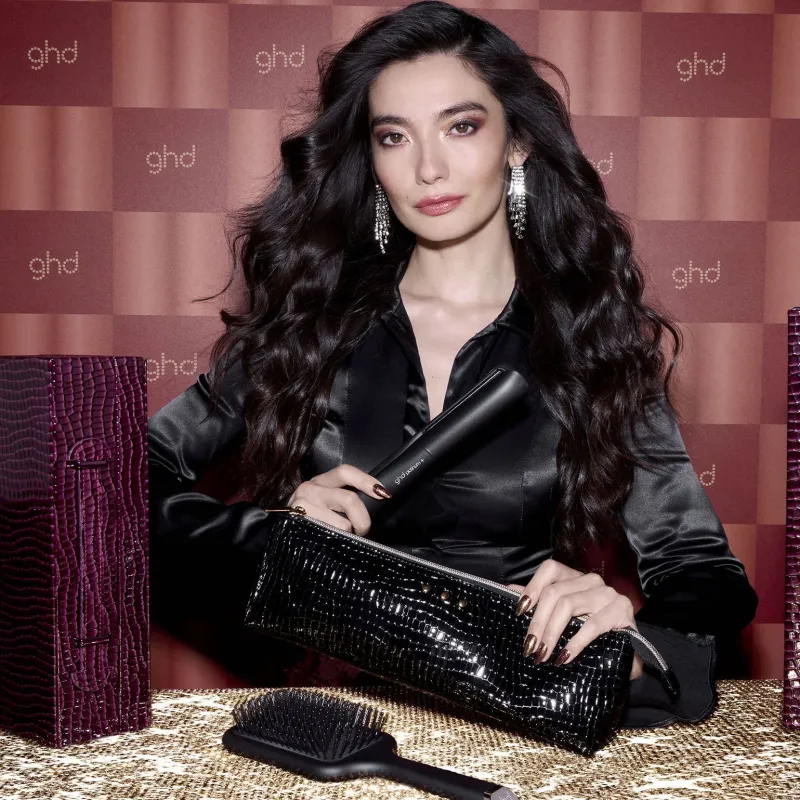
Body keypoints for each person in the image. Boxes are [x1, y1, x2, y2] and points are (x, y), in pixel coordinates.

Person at [148, 0, 757, 727]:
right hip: (338, 721)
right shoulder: (306, 329)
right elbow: (118, 491)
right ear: (372, 160)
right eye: (394, 137)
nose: (428, 167)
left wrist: (628, 631)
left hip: (523, 712)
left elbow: (700, 567)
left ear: (516, 141)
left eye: (460, 126)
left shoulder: (589, 342)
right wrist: (271, 535)